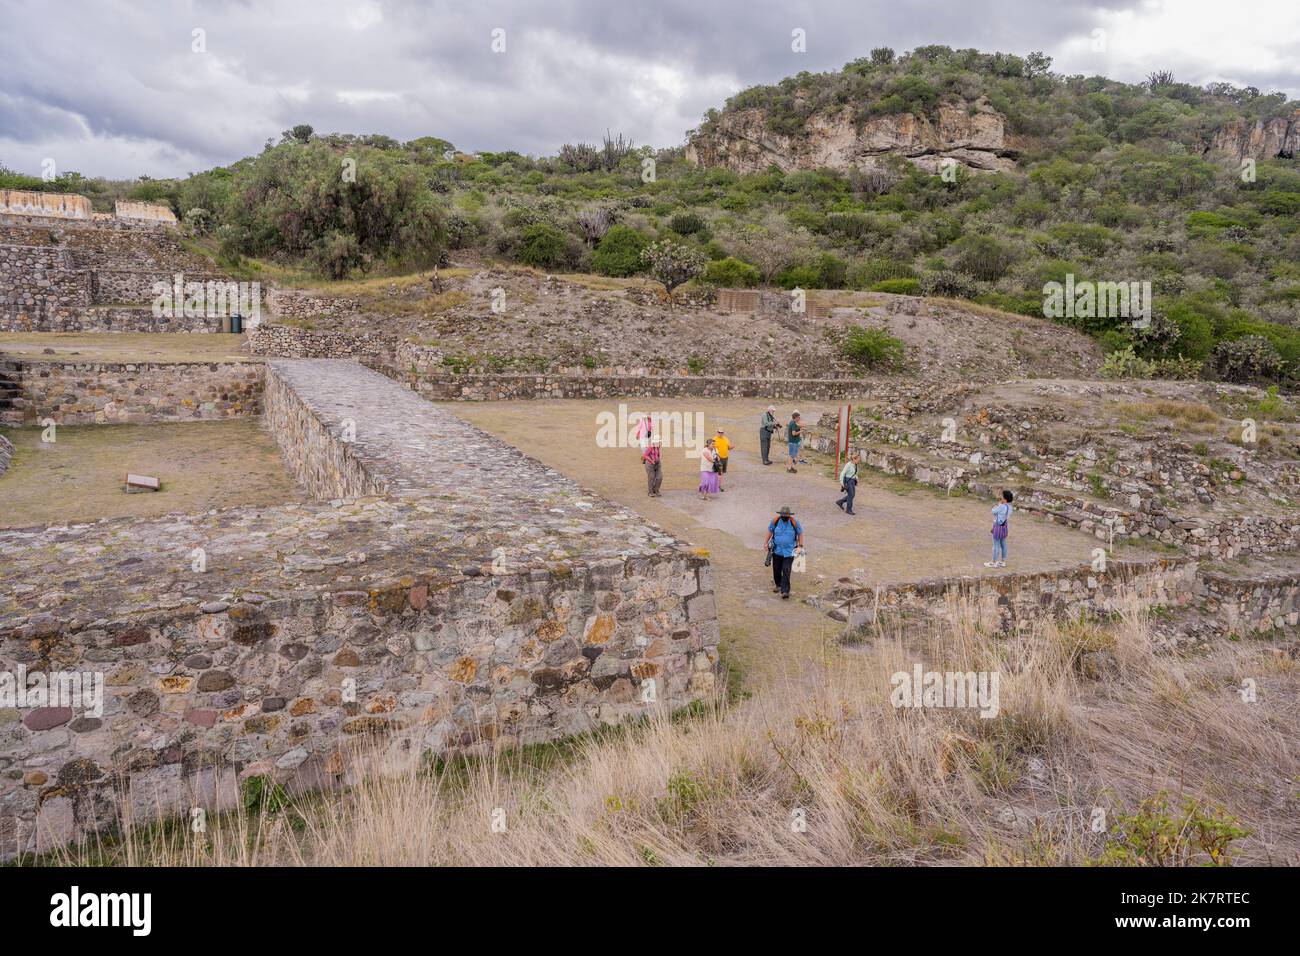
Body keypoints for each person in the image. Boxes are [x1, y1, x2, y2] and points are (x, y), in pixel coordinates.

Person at [765, 506, 804, 599]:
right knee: (776, 569)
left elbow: (800, 533)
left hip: (789, 551)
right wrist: (765, 543)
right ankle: (778, 585)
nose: (784, 517)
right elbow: (770, 531)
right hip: (777, 550)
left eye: (786, 515)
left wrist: (800, 545)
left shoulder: (795, 523)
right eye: (783, 515)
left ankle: (785, 591)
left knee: (786, 570)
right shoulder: (775, 521)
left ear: (789, 515)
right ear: (780, 515)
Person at [985, 489, 1013, 568]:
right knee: (1003, 543)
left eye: (1002, 497)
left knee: (996, 544)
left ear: (1005, 499)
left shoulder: (1001, 506)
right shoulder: (1010, 507)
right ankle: (1003, 561)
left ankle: (993, 562)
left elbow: (993, 511)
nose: (1001, 498)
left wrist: (998, 505)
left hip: (998, 526)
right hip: (1005, 526)